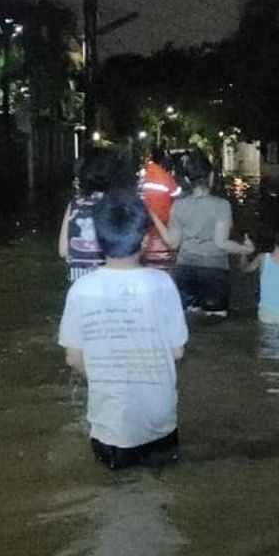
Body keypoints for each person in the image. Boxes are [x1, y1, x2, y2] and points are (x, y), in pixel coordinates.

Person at [58, 190, 189, 469]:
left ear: (97, 239)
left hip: (111, 425)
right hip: (160, 421)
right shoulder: (163, 283)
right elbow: (177, 351)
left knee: (114, 495)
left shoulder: (82, 290)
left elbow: (74, 359)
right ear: (144, 240)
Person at [148, 150, 254, 317]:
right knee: (215, 325)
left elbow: (173, 242)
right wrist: (245, 250)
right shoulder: (222, 205)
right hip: (214, 271)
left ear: (188, 180)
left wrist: (153, 215)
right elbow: (221, 243)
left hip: (185, 271)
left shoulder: (178, 206)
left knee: (187, 322)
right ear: (211, 176)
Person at [57, 149, 129, 282]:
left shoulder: (75, 205)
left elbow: (63, 250)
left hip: (79, 284)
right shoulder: (118, 205)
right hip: (110, 281)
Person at [139, 147, 183, 271]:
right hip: (162, 225)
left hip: (143, 224)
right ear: (163, 159)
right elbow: (178, 194)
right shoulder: (164, 177)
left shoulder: (143, 173)